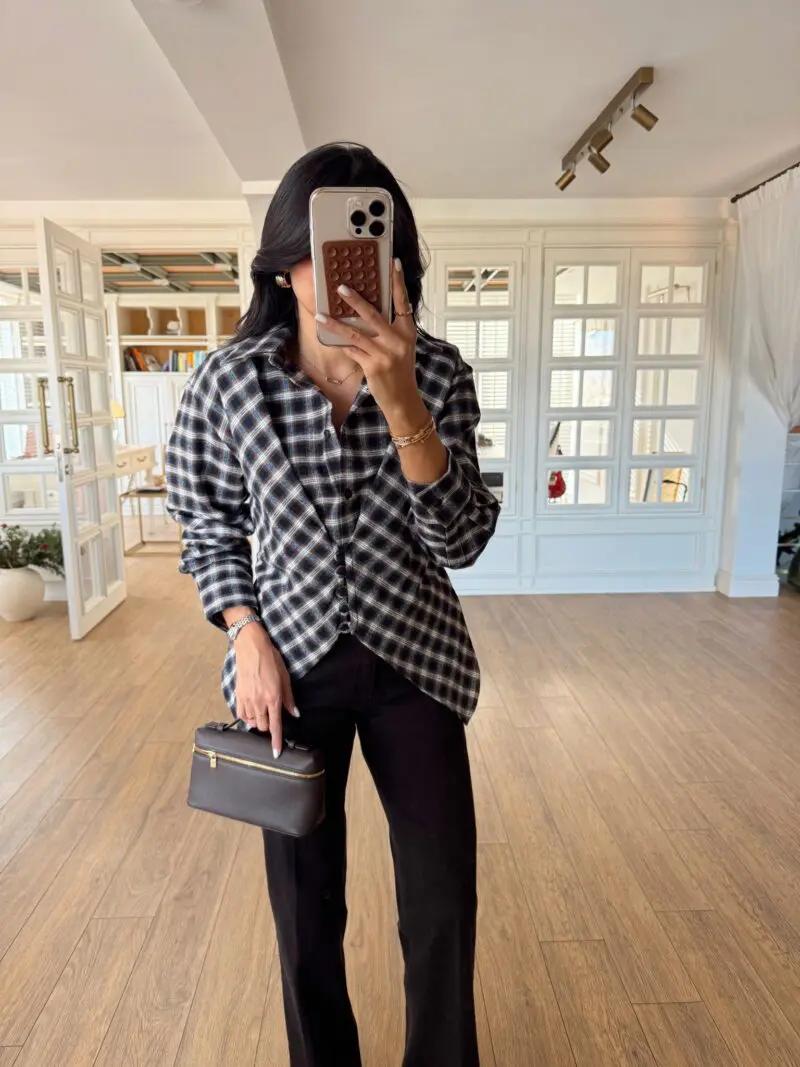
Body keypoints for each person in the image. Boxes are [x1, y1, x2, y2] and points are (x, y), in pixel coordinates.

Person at [166, 142, 500, 1067]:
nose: (347, 271)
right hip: (290, 665)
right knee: (304, 910)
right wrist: (245, 634)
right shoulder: (228, 382)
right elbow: (206, 520)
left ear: (397, 257)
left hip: (417, 662)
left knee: (442, 900)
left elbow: (463, 541)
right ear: (285, 260)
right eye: (323, 247)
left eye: (369, 243)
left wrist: (402, 402)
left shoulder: (438, 373)